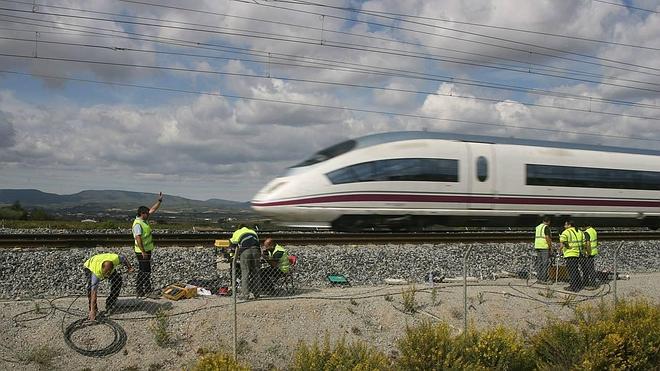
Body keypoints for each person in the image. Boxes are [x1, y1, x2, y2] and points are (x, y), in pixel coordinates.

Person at [84, 253, 133, 321]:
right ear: (102, 268)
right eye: (106, 272)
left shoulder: (115, 260)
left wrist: (129, 267)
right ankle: (93, 310)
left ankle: (110, 303)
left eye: (109, 272)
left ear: (113, 267)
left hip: (105, 263)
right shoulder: (96, 272)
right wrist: (92, 310)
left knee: (117, 280)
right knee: (90, 288)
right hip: (90, 265)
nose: (108, 274)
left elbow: (124, 258)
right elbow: (93, 293)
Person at [132, 192, 163, 297]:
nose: (149, 214)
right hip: (142, 252)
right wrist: (143, 251)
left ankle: (144, 290)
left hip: (147, 250)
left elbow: (153, 209)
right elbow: (138, 238)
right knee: (144, 271)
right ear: (142, 214)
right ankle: (143, 290)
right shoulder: (137, 224)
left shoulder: (143, 220)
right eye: (147, 213)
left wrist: (159, 201)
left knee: (146, 270)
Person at [229, 224, 260, 299]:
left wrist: (231, 256)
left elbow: (233, 244)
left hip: (246, 251)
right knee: (256, 272)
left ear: (239, 228)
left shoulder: (237, 232)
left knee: (245, 272)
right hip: (256, 251)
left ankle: (245, 295)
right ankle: (257, 293)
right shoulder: (253, 231)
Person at [559, 220, 585, 292]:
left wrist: (561, 249)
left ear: (569, 225)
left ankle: (573, 287)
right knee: (576, 270)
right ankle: (579, 285)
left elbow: (563, 242)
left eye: (565, 225)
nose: (564, 226)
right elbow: (583, 243)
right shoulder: (580, 232)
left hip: (569, 254)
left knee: (572, 271)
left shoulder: (566, 232)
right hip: (578, 254)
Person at [534, 216, 553, 283]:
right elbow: (547, 237)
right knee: (545, 263)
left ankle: (539, 278)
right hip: (544, 246)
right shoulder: (546, 227)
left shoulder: (538, 227)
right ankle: (544, 279)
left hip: (537, 246)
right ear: (548, 221)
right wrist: (550, 247)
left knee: (539, 263)